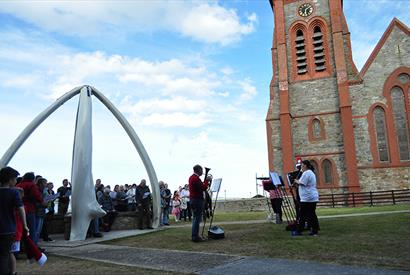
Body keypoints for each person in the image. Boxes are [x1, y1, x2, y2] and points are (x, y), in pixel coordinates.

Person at [0, 166, 29, 275]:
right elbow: (21, 209)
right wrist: (25, 225)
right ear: (10, 179)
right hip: (8, 228)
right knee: (5, 254)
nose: (16, 181)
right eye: (15, 179)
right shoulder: (13, 193)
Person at [16, 172, 46, 245]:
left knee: (21, 230)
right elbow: (37, 196)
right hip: (29, 209)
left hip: (19, 210)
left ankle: (22, 247)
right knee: (32, 230)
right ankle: (33, 249)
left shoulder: (18, 185)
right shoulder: (31, 185)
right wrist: (43, 202)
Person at [293, 160, 320, 236]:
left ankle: (299, 231)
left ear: (305, 165)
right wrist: (298, 183)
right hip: (311, 197)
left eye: (302, 165)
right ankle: (315, 231)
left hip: (307, 198)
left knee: (302, 215)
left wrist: (296, 181)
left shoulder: (306, 173)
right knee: (312, 214)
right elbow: (305, 184)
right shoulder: (311, 173)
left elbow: (302, 183)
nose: (301, 166)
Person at [189, 164, 211, 242]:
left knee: (195, 218)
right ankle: (195, 236)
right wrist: (207, 180)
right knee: (197, 219)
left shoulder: (192, 177)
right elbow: (203, 188)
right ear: (198, 170)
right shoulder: (195, 178)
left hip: (193, 200)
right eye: (201, 170)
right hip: (197, 200)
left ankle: (194, 235)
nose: (202, 172)